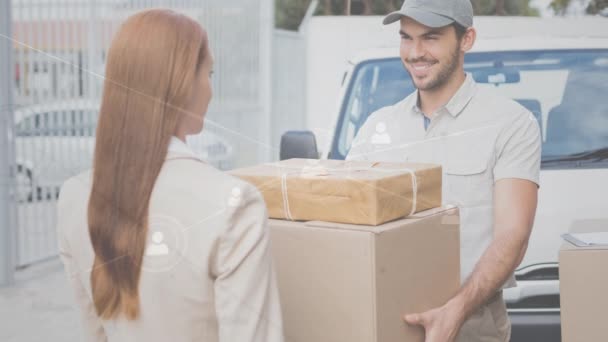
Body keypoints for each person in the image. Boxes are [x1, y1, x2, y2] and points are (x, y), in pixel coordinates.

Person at [56, 9, 283, 342]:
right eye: (210, 73)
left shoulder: (73, 196)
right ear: (182, 85)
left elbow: (96, 331)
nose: (210, 89)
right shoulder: (235, 204)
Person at [346, 0, 541, 341]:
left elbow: (514, 235)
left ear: (466, 39)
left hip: (471, 328)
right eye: (406, 38)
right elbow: (346, 218)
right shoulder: (377, 126)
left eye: (431, 37)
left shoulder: (510, 124)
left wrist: (455, 311)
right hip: (384, 324)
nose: (415, 52)